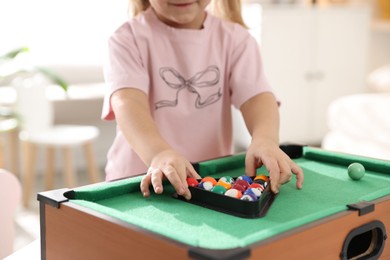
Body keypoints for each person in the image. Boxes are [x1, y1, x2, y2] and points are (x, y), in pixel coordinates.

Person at [102, 0, 304, 200]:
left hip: (209, 183)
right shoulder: (127, 39)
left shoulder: (236, 39)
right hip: (139, 182)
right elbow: (128, 102)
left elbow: (257, 98)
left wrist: (265, 140)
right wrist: (158, 154)